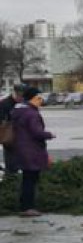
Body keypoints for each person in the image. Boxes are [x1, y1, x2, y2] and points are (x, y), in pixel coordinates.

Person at [10, 87, 55, 217]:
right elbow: (36, 132)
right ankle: (28, 207)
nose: (41, 100)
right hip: (31, 151)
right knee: (30, 179)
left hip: (22, 150)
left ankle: (25, 205)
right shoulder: (31, 114)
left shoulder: (19, 111)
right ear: (32, 98)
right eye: (38, 98)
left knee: (26, 179)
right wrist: (49, 134)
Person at [0, 83, 25, 178]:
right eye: (19, 95)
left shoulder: (22, 103)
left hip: (20, 137)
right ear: (14, 93)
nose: (21, 97)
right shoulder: (5, 103)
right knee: (10, 160)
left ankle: (14, 176)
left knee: (18, 159)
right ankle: (10, 177)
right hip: (9, 137)